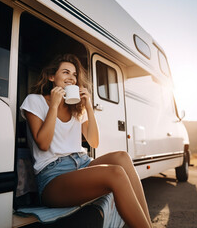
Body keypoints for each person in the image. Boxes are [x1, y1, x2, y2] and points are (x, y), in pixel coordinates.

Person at [20, 54, 152, 228]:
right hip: (53, 176)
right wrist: (54, 105)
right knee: (115, 173)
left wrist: (88, 106)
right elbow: (43, 144)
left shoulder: (76, 108)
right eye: (65, 72)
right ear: (52, 77)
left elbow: (94, 142)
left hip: (81, 163)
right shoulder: (35, 101)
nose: (71, 78)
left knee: (122, 157)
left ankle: (148, 225)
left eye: (74, 75)